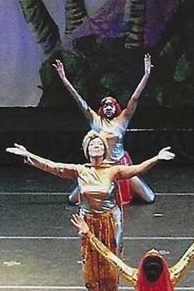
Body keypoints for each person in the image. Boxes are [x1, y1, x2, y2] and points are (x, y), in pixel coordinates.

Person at [7, 134, 174, 291]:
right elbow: (53, 166)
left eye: (99, 145)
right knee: (90, 264)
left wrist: (156, 158)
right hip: (88, 223)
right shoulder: (81, 171)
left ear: (104, 150)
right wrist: (29, 154)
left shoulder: (113, 171)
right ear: (87, 149)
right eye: (92, 144)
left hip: (110, 221)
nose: (96, 147)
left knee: (111, 262)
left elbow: (137, 169)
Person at [54, 54, 155, 204]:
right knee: (72, 199)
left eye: (111, 105)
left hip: (120, 167)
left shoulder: (122, 120)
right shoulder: (96, 120)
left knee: (149, 198)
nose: (108, 107)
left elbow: (134, 98)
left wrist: (146, 75)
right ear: (102, 108)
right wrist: (64, 79)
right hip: (100, 168)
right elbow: (79, 100)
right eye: (105, 105)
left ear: (116, 107)